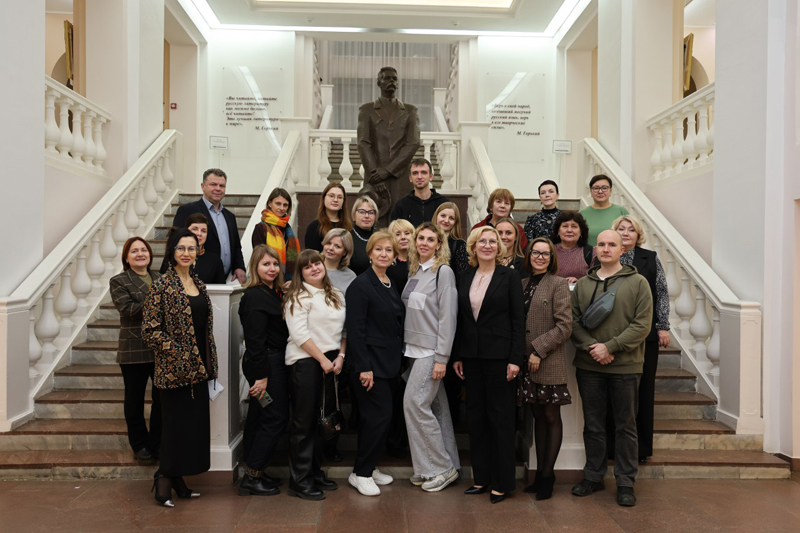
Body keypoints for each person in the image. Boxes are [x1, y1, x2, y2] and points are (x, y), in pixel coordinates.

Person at [570, 230, 652, 508]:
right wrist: (593, 347)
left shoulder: (638, 283)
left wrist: (610, 347)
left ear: (622, 250)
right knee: (593, 425)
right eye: (602, 244)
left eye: (612, 245)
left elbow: (642, 324)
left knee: (625, 425)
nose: (606, 249)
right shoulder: (584, 284)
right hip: (589, 365)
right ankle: (593, 476)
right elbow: (572, 322)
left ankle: (626, 482)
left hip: (626, 366)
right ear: (595, 250)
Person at [143, 228, 217, 508]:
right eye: (181, 248)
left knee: (191, 428)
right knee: (173, 428)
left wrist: (207, 361)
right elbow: (150, 330)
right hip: (173, 371)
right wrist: (179, 353)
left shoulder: (199, 283)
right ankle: (163, 479)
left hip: (199, 369)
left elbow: (204, 328)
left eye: (191, 248)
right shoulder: (161, 285)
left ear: (198, 252)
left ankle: (177, 479)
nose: (186, 253)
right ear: (172, 252)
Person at [453, 226, 525, 504]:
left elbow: (518, 320)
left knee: (500, 420)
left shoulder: (510, 276)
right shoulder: (464, 276)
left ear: (499, 247)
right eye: (481, 241)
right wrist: (458, 355)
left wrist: (515, 359)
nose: (487, 245)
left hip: (500, 358)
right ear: (473, 247)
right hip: (471, 358)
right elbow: (461, 320)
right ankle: (481, 478)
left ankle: (502, 482)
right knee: (477, 418)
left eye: (492, 241)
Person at [606, 215, 671, 464]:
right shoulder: (605, 256)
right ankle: (611, 447)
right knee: (613, 391)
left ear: (638, 234)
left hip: (646, 335)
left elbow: (661, 293)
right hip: (612, 335)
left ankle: (640, 449)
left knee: (643, 391)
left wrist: (663, 326)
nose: (625, 233)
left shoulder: (650, 258)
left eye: (630, 230)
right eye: (621, 228)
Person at [345, 231, 405, 497]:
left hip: (389, 363)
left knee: (379, 418)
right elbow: (356, 330)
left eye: (388, 250)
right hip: (370, 365)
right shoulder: (360, 285)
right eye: (378, 249)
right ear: (369, 253)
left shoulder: (389, 281)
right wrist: (364, 367)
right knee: (378, 417)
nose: (383, 254)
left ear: (394, 256)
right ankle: (361, 474)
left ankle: (368, 466)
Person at [283, 250, 347, 500]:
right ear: (300, 273)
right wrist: (322, 360)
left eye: (317, 263)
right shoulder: (298, 296)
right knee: (304, 423)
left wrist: (340, 356)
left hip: (331, 361)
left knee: (323, 420)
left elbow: (344, 331)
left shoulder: (336, 294)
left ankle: (314, 472)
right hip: (306, 362)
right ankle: (299, 481)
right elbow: (299, 334)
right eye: (307, 267)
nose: (314, 268)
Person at [402, 223, 460, 492]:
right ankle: (430, 468)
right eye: (420, 238)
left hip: (430, 351)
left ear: (439, 245)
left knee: (414, 405)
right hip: (413, 350)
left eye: (430, 239)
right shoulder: (415, 270)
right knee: (437, 410)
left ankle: (442, 469)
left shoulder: (443, 272)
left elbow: (448, 317)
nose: (424, 242)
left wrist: (441, 358)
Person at [517, 237, 572, 500]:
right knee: (537, 416)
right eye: (536, 253)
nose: (540, 257)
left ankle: (548, 476)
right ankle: (539, 475)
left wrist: (539, 350)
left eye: (545, 254)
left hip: (547, 359)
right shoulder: (522, 284)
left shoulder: (558, 284)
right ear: (528, 256)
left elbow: (565, 326)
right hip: (526, 363)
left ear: (552, 258)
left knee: (551, 416)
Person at [237, 245, 290, 497]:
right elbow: (255, 341)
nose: (272, 269)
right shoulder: (254, 297)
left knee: (259, 416)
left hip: (270, 362)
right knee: (275, 417)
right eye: (266, 264)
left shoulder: (271, 293)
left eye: (275, 264)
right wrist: (262, 377)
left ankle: (254, 470)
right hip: (266, 365)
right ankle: (252, 476)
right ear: (255, 267)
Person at [109, 237, 162, 465]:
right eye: (134, 251)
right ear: (126, 257)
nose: (140, 254)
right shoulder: (119, 281)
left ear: (150, 254)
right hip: (134, 349)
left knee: (161, 399)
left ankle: (157, 442)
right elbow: (129, 310)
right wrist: (160, 301)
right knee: (134, 401)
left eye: (143, 250)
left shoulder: (160, 277)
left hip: (160, 348)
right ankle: (139, 445)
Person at [357, 66, 421, 229]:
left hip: (400, 175)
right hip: (375, 175)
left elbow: (413, 142)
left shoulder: (410, 111)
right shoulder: (367, 110)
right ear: (379, 82)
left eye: (394, 78)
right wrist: (375, 174)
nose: (391, 81)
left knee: (402, 225)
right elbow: (364, 143)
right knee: (374, 223)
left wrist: (387, 171)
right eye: (386, 78)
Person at [171, 168, 245, 283]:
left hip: (223, 279)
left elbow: (236, 246)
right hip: (194, 277)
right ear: (203, 186)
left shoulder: (230, 216)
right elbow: (174, 243)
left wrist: (239, 266)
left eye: (222, 186)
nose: (218, 189)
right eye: (213, 184)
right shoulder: (188, 210)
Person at [159, 213, 226, 284]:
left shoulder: (215, 260)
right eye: (195, 229)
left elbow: (221, 288)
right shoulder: (174, 256)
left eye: (203, 231)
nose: (199, 234)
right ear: (186, 230)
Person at [251, 188, 300, 281]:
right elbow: (259, 258)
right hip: (268, 279)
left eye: (285, 205)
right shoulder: (260, 228)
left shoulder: (287, 228)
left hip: (287, 281)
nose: (281, 208)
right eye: (278, 203)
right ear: (270, 203)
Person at [390, 158, 449, 227]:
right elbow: (394, 231)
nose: (419, 177)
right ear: (410, 178)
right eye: (415, 173)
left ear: (430, 176)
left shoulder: (443, 203)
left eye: (423, 172)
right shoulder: (401, 206)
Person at [579, 174, 629, 246]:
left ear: (610, 191)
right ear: (591, 191)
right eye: (596, 188)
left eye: (604, 188)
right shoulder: (582, 214)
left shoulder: (621, 211)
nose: (600, 191)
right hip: (589, 252)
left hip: (616, 253)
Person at [304, 183, 353, 252]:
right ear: (324, 199)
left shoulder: (349, 227)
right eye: (331, 196)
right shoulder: (314, 227)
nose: (335, 200)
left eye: (339, 197)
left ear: (343, 202)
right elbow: (311, 256)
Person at [550, 211, 595, 283]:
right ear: (558, 231)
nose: (569, 230)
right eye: (565, 226)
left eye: (574, 226)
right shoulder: (549, 251)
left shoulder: (590, 252)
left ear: (581, 231)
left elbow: (595, 281)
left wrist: (579, 282)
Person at [432, 202, 470, 276]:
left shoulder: (460, 245)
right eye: (443, 216)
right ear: (436, 216)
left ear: (455, 222)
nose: (446, 220)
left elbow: (463, 276)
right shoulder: (425, 241)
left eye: (451, 218)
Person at [349, 195, 378, 276]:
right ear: (354, 215)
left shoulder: (379, 238)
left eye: (371, 212)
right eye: (362, 212)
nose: (367, 216)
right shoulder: (347, 238)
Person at [321, 228, 357, 294]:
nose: (331, 248)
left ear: (345, 252)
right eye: (328, 243)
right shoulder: (312, 268)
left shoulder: (350, 276)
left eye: (337, 246)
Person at [387, 218, 414, 294]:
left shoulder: (421, 261)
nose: (403, 237)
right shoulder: (387, 264)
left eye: (407, 233)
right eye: (398, 234)